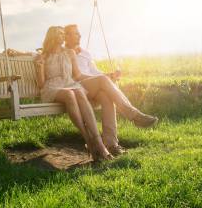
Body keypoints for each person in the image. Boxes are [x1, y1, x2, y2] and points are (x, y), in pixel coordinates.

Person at [64, 24, 158, 156]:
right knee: (102, 80)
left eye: (79, 33)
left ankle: (111, 143)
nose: (79, 35)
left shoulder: (85, 53)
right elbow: (74, 76)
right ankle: (134, 115)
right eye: (75, 33)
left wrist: (109, 75)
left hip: (93, 87)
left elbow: (95, 72)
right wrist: (102, 78)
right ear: (66, 36)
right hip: (76, 88)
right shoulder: (64, 53)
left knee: (106, 97)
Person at [36, 26, 113, 161]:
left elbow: (77, 76)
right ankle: (88, 139)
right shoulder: (43, 56)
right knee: (70, 94)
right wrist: (39, 68)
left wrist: (103, 77)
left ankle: (98, 143)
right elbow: (41, 84)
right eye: (60, 34)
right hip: (52, 88)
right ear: (53, 37)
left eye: (64, 34)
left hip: (69, 84)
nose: (63, 36)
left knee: (78, 91)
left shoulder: (70, 53)